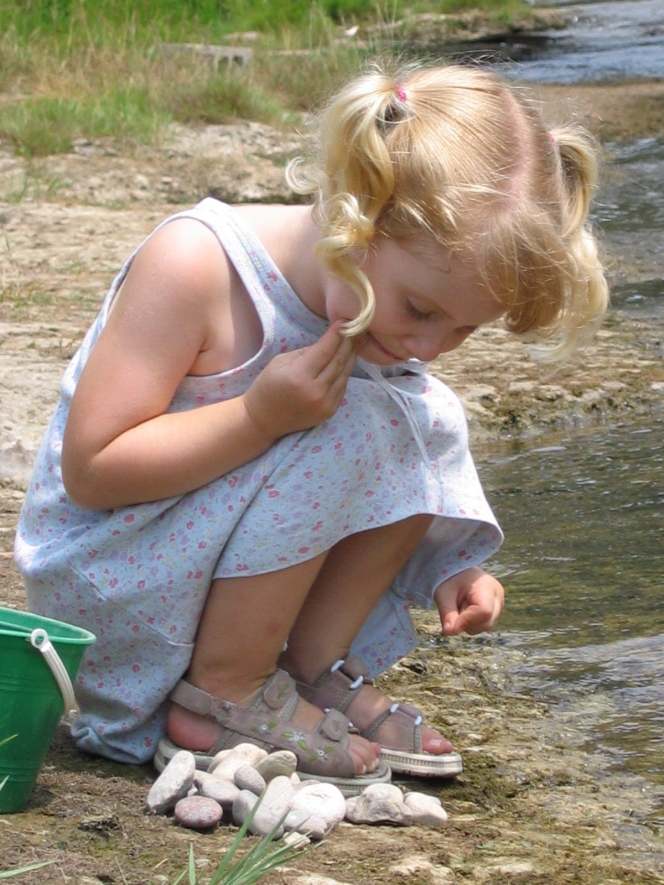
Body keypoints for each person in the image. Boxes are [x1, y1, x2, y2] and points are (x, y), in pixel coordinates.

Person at [15, 62, 608, 790]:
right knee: (359, 420)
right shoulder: (197, 264)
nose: (427, 344)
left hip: (197, 585)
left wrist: (448, 565)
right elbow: (93, 470)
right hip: (113, 600)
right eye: (420, 310)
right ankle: (222, 697)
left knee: (422, 411)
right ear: (354, 208)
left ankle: (304, 672)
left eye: (465, 330)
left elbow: (391, 460)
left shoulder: (379, 319)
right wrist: (257, 415)